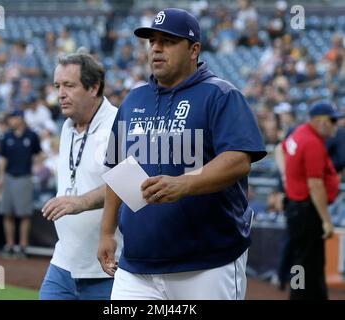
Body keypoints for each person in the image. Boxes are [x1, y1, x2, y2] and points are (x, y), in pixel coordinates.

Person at [98, 8, 267, 300]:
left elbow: (239, 160)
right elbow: (119, 168)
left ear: (194, 49)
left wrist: (184, 184)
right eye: (152, 41)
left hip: (206, 264)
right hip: (137, 266)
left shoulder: (220, 95)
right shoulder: (134, 99)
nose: (157, 48)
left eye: (169, 41)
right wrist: (106, 232)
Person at [39, 53, 122, 300]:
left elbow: (132, 187)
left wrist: (81, 202)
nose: (60, 93)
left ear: (94, 87)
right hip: (63, 262)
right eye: (57, 86)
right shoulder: (67, 126)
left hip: (107, 268)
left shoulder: (119, 124)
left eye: (69, 85)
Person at [278, 101, 343, 300]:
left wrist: (286, 177)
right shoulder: (312, 142)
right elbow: (315, 186)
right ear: (319, 122)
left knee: (308, 262)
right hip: (307, 211)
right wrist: (326, 220)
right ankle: (297, 296)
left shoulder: (299, 132)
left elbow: (280, 150)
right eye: (332, 120)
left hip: (298, 208)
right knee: (304, 262)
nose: (336, 124)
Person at [0, 110, 42, 258]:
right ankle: (10, 245)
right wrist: (0, 177)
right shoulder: (6, 136)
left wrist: (36, 167)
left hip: (24, 177)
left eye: (13, 118)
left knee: (24, 214)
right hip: (9, 176)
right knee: (7, 212)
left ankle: (23, 246)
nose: (11, 121)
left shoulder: (32, 135)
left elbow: (39, 154)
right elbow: (3, 159)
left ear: (20, 119)